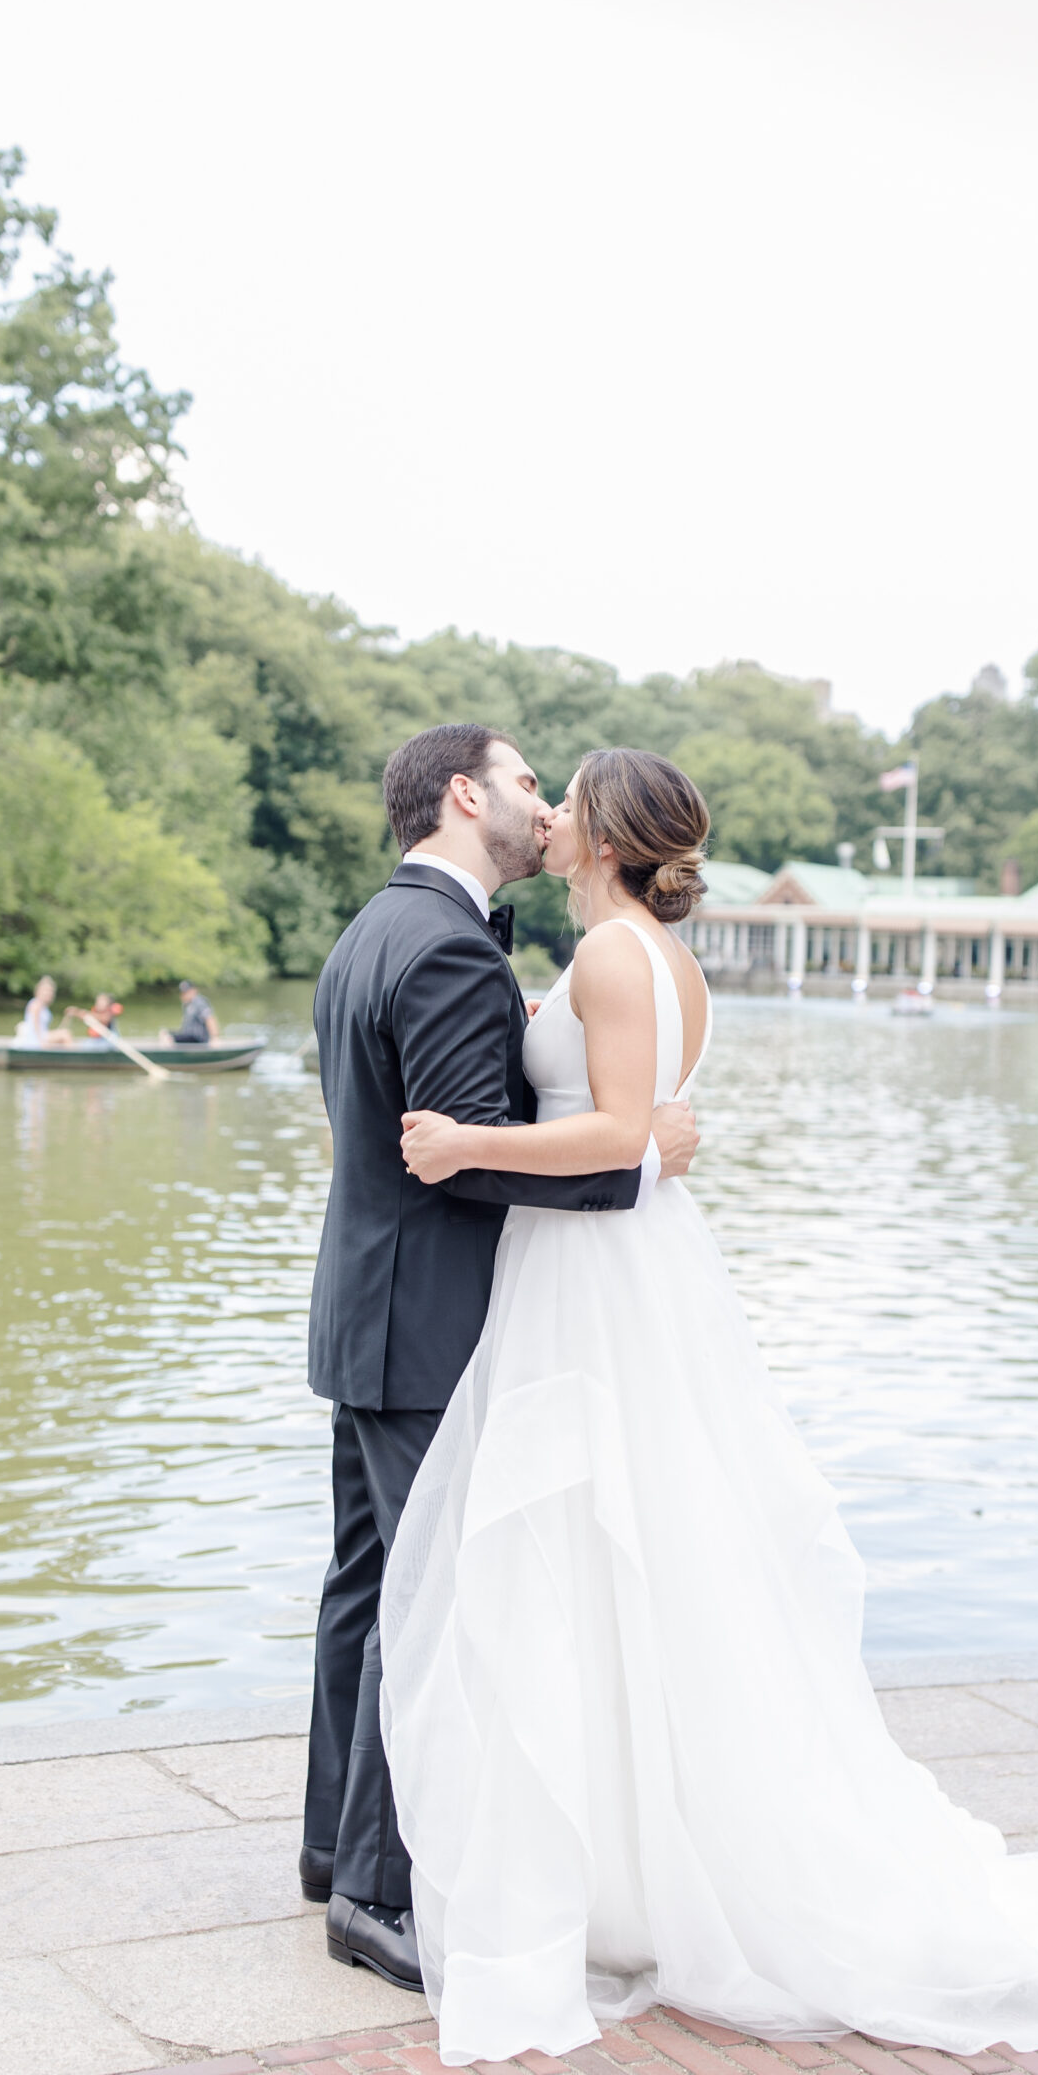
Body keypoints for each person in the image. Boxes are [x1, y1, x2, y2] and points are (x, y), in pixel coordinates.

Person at [380, 748, 1038, 2067]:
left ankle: (641, 1866)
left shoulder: (623, 959)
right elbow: (648, 1126)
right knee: (611, 1555)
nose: (550, 815)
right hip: (606, 1267)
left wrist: (466, 1147)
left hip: (597, 1276)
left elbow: (619, 1128)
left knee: (604, 1546)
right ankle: (625, 1854)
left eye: (567, 798)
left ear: (609, 835)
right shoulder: (640, 957)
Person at [302, 724, 701, 1997]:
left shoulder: (376, 928)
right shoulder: (451, 952)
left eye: (557, 793)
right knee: (425, 1596)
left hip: (367, 1312)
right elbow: (465, 1159)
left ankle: (331, 1844)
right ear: (466, 794)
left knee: (367, 1586)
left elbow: (450, 1138)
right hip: (425, 1327)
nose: (542, 807)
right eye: (528, 783)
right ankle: (375, 1890)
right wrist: (643, 1159)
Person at [13, 975, 72, 1046]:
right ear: (39, 991)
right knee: (65, 1034)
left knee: (64, 1034)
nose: (49, 994)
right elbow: (35, 1026)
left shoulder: (43, 1006)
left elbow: (46, 1029)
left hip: (42, 1035)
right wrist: (41, 1042)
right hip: (34, 1038)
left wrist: (67, 1018)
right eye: (46, 991)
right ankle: (74, 1056)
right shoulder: (36, 1004)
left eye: (50, 991)